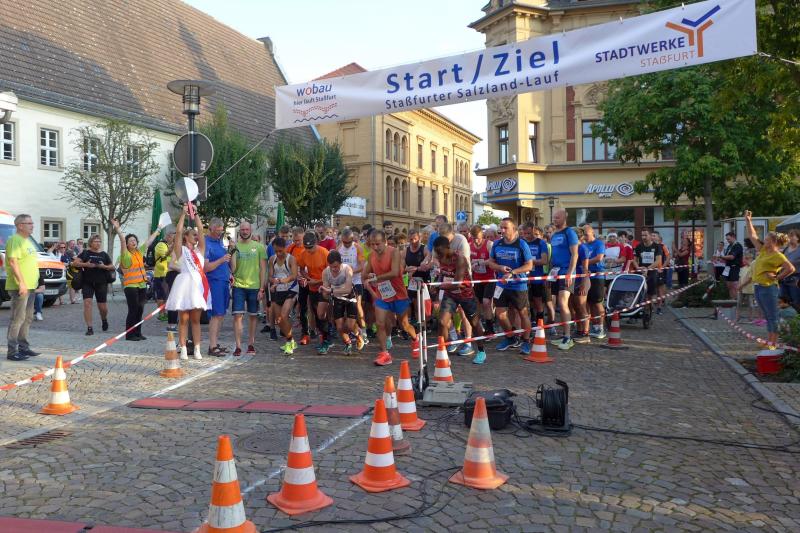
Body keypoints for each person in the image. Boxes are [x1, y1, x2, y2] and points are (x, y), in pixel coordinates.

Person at [362, 229, 417, 366]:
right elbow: (364, 274)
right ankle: (385, 354)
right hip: (383, 295)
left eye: (378, 244)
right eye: (372, 244)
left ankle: (416, 339)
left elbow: (395, 272)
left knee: (404, 325)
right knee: (380, 323)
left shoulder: (394, 252)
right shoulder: (371, 255)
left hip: (398, 294)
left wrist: (376, 278)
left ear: (385, 242)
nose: (375, 247)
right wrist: (368, 276)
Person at [433, 235, 487, 364]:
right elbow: (442, 274)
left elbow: (457, 283)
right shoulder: (440, 258)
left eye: (440, 251)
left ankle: (481, 351)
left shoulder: (459, 259)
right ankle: (443, 354)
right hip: (450, 294)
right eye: (437, 252)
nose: (439, 254)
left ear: (448, 247)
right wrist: (435, 283)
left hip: (465, 294)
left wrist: (439, 286)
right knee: (442, 322)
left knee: (474, 323)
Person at [745, 210, 795, 347]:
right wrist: (748, 221)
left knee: (773, 316)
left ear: (773, 242)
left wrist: (777, 277)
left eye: (767, 239)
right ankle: (769, 341)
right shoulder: (763, 250)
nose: (764, 241)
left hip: (768, 288)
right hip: (758, 287)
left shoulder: (778, 255)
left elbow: (790, 268)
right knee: (767, 315)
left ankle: (773, 343)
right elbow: (752, 236)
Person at [487, 218, 534, 355]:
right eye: (501, 227)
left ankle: (526, 341)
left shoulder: (522, 244)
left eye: (505, 227)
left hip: (518, 285)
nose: (502, 230)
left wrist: (513, 272)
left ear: (514, 229)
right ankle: (510, 337)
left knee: (523, 314)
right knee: (500, 314)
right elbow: (491, 262)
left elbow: (529, 265)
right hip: (501, 284)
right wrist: (500, 267)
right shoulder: (497, 243)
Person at [166, 208, 209, 359]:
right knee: (183, 319)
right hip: (184, 286)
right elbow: (178, 232)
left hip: (196, 286)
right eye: (193, 235)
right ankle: (183, 347)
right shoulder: (181, 250)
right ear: (186, 237)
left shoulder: (200, 250)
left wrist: (195, 214)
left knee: (196, 320)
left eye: (197, 235)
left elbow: (201, 230)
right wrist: (184, 214)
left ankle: (197, 348)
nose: (196, 237)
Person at [113, 219, 163, 341]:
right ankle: (130, 334)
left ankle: (138, 333)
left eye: (134, 240)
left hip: (141, 285)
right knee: (133, 310)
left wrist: (158, 229)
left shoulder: (139, 252)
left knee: (140, 310)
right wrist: (118, 229)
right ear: (127, 244)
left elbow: (149, 241)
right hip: (130, 286)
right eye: (130, 241)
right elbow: (122, 241)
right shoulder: (125, 254)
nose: (133, 242)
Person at [5, 214, 41, 361]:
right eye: (29, 223)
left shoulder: (28, 241)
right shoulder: (15, 240)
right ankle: (12, 351)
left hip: (31, 286)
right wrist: (21, 283)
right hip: (20, 286)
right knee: (17, 318)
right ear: (20, 226)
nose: (32, 225)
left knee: (27, 318)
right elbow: (13, 262)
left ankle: (23, 347)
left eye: (32, 223)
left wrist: (38, 282)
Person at [229, 221, 267, 357]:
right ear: (239, 231)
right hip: (239, 286)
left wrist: (262, 288)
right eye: (242, 229)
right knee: (237, 316)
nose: (245, 232)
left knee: (253, 316)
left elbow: (263, 269)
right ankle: (238, 346)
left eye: (247, 229)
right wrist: (232, 250)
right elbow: (233, 269)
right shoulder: (235, 246)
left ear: (251, 230)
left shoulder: (259, 247)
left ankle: (251, 343)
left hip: (254, 286)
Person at [321, 250, 363, 355]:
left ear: (341, 263)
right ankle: (348, 343)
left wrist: (330, 291)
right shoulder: (326, 272)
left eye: (336, 267)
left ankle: (357, 334)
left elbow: (347, 289)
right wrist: (323, 292)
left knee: (349, 326)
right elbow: (325, 292)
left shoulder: (347, 269)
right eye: (331, 267)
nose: (334, 269)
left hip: (350, 298)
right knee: (339, 327)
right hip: (337, 298)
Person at [71, 234, 114, 335]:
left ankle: (104, 319)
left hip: (101, 283)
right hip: (87, 282)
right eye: (96, 241)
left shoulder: (104, 254)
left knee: (103, 307)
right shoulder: (85, 253)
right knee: (87, 304)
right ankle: (89, 328)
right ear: (91, 243)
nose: (98, 243)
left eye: (99, 241)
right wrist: (86, 264)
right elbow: (75, 263)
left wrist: (104, 267)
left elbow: (112, 266)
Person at [549, 209, 579, 350]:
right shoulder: (554, 234)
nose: (555, 220)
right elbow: (553, 255)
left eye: (557, 217)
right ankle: (564, 335)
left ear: (564, 218)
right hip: (555, 272)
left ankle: (568, 337)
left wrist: (569, 273)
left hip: (566, 272)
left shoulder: (570, 232)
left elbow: (575, 254)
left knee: (563, 302)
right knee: (559, 305)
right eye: (554, 217)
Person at [297, 232, 331, 354]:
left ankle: (326, 338)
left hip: (324, 287)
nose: (309, 250)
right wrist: (307, 278)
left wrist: (318, 281)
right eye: (306, 247)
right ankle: (324, 337)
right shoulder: (303, 254)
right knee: (316, 314)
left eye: (311, 247)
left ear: (316, 243)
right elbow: (301, 269)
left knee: (322, 314)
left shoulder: (324, 253)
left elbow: (331, 273)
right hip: (312, 288)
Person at [204, 218, 232, 354]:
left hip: (224, 281)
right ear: (211, 228)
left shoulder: (219, 242)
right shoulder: (206, 243)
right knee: (216, 314)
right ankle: (212, 346)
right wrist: (221, 260)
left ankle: (215, 343)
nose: (220, 233)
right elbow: (206, 267)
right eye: (218, 231)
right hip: (214, 282)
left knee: (221, 314)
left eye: (222, 230)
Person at [268, 237, 298, 355]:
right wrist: (274, 282)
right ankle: (291, 340)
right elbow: (270, 276)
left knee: (284, 315)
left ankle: (289, 342)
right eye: (276, 251)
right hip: (278, 290)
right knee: (279, 320)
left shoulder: (291, 259)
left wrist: (280, 281)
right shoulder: (272, 259)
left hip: (291, 289)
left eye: (280, 251)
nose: (278, 253)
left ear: (285, 248)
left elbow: (294, 276)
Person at [338, 227, 368, 340]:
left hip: (356, 281)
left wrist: (351, 272)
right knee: (345, 308)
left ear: (352, 239)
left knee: (358, 306)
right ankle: (354, 330)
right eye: (344, 242)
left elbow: (362, 266)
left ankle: (364, 330)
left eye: (349, 242)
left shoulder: (357, 248)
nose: (346, 244)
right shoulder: (338, 248)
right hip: (343, 282)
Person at [469, 225, 496, 336]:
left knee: (486, 302)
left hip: (489, 278)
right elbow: (467, 260)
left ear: (482, 235)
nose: (477, 241)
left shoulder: (489, 244)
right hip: (477, 279)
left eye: (478, 238)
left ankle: (490, 329)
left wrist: (479, 263)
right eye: (474, 238)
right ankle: (479, 328)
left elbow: (493, 260)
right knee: (477, 304)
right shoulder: (469, 246)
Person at [582, 224, 606, 338]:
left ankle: (601, 327)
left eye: (587, 234)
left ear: (592, 233)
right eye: (584, 235)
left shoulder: (599, 244)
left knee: (597, 302)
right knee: (589, 302)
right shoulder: (584, 245)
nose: (585, 237)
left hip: (597, 276)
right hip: (587, 276)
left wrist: (585, 263)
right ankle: (595, 325)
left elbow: (599, 258)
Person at [632, 229, 663, 316]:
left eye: (645, 235)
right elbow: (634, 260)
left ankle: (649, 307)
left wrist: (648, 268)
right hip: (641, 271)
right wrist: (638, 267)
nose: (644, 237)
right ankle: (639, 309)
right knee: (639, 291)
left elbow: (658, 260)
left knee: (650, 292)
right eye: (642, 235)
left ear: (650, 235)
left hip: (652, 271)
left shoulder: (657, 246)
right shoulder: (639, 246)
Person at [152, 228, 174, 322]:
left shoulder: (168, 245)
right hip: (161, 274)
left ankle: (164, 313)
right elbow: (166, 255)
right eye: (173, 237)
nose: (174, 239)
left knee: (166, 295)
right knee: (161, 295)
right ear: (168, 236)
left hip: (167, 273)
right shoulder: (161, 245)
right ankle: (161, 314)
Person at [780, 229, 800, 310]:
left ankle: (797, 317)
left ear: (798, 238)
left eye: (792, 236)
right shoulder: (785, 249)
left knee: (796, 301)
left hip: (796, 279)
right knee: (784, 300)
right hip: (784, 278)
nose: (789, 238)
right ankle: (787, 317)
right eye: (789, 236)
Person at [721, 231, 743, 300]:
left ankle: (736, 300)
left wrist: (722, 257)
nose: (727, 241)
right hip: (727, 267)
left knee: (734, 285)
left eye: (729, 239)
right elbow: (727, 256)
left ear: (733, 237)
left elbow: (732, 257)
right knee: (729, 285)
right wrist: (722, 259)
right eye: (727, 239)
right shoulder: (729, 246)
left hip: (734, 267)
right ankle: (732, 299)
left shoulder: (737, 246)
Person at [736, 249, 757, 322]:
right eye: (744, 259)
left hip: (749, 289)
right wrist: (739, 285)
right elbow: (740, 278)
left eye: (746, 259)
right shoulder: (742, 268)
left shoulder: (752, 268)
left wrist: (741, 285)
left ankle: (750, 318)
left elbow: (750, 279)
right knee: (739, 303)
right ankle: (737, 317)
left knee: (750, 304)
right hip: (741, 288)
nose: (744, 260)